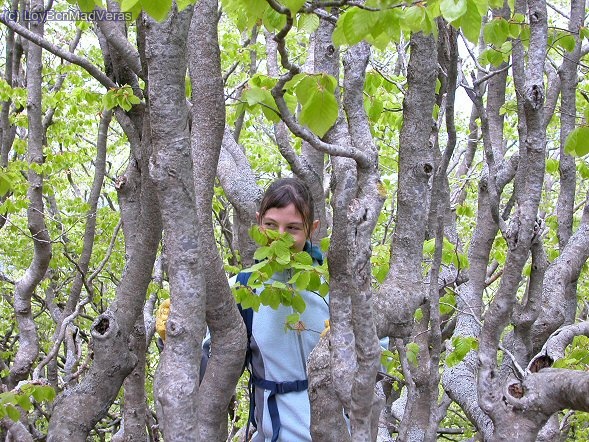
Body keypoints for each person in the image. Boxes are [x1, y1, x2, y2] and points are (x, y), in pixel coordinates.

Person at [240, 177, 328, 442]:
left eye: (292, 228)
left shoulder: (332, 286)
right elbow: (209, 363)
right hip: (274, 434)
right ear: (258, 222)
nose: (279, 236)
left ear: (312, 228)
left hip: (337, 429)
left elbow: (377, 356)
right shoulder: (242, 288)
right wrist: (172, 336)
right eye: (270, 225)